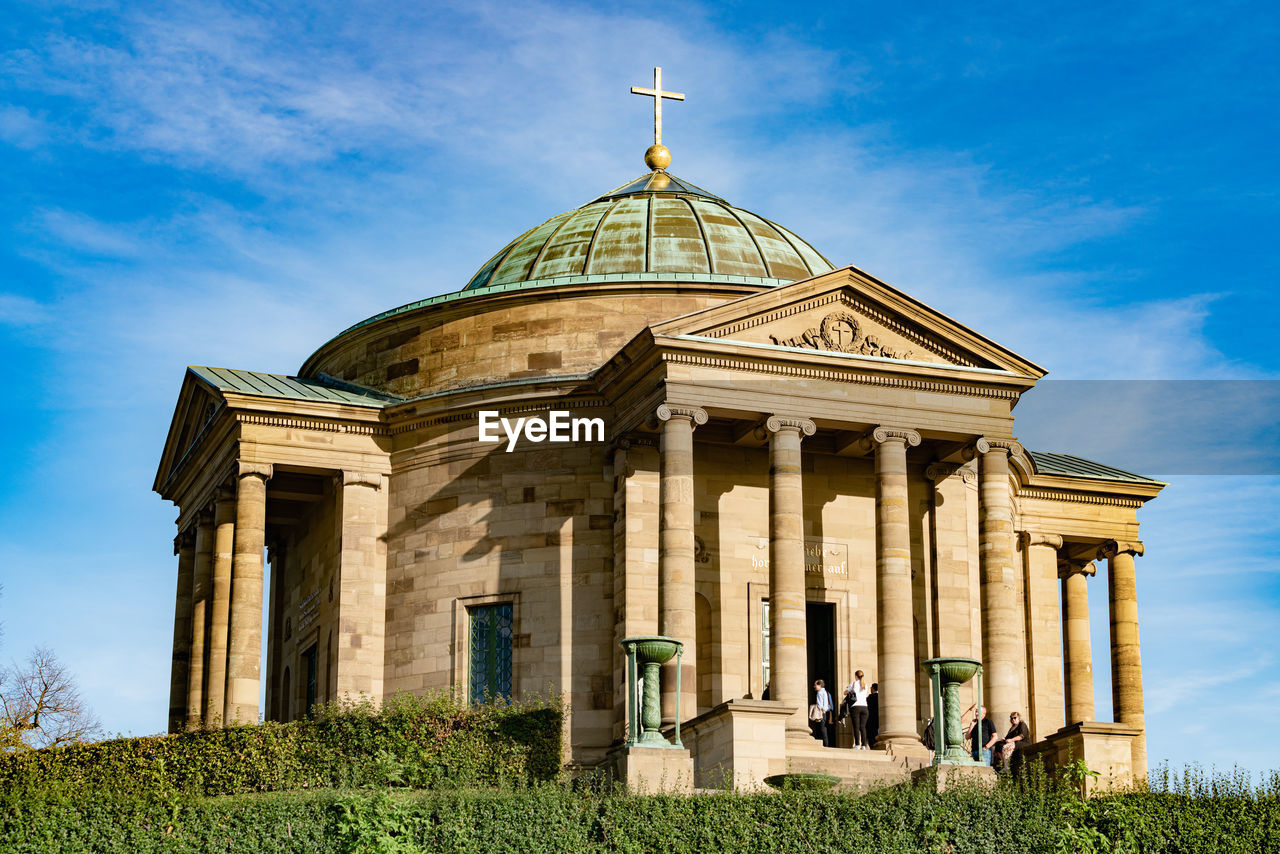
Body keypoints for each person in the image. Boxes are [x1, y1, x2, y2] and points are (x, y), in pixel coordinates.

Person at [843, 670, 870, 750]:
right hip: (864, 707)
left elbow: (845, 692)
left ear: (856, 676)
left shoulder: (853, 684)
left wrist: (849, 690)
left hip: (855, 706)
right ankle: (864, 745)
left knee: (856, 727)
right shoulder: (865, 685)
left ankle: (857, 744)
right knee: (863, 727)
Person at [811, 679, 834, 746]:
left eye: (815, 685)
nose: (814, 686)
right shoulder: (826, 692)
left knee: (821, 729)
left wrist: (821, 709)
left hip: (821, 712)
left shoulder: (819, 693)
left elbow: (820, 704)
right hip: (825, 712)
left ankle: (824, 744)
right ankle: (826, 744)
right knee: (824, 728)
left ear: (819, 685)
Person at [866, 683, 880, 748]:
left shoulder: (870, 697)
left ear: (872, 688)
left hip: (871, 719)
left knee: (871, 735)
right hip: (878, 719)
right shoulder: (880, 697)